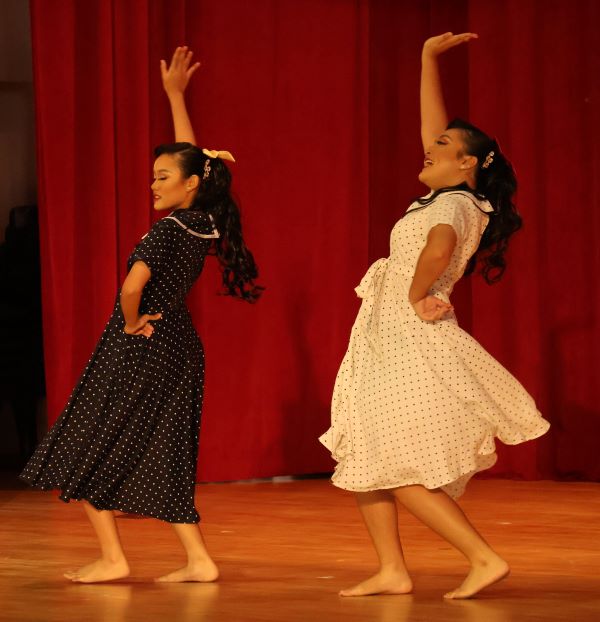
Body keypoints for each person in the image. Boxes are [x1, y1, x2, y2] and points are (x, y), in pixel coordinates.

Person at [319, 32, 550, 600]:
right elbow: (433, 132)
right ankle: (392, 569)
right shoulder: (451, 196)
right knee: (367, 449)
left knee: (396, 462)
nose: (428, 149)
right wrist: (426, 60)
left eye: (442, 146)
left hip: (409, 337)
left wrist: (417, 292)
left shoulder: (454, 204)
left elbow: (439, 249)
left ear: (465, 162)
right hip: (388, 336)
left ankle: (483, 557)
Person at [20, 46, 262, 583]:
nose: (153, 184)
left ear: (189, 184)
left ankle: (113, 557)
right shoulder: (204, 225)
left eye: (162, 176)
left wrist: (130, 321)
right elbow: (193, 161)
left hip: (142, 345)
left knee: (86, 445)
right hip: (180, 348)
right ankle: (199, 560)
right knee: (162, 451)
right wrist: (175, 96)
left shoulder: (165, 231)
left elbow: (132, 287)